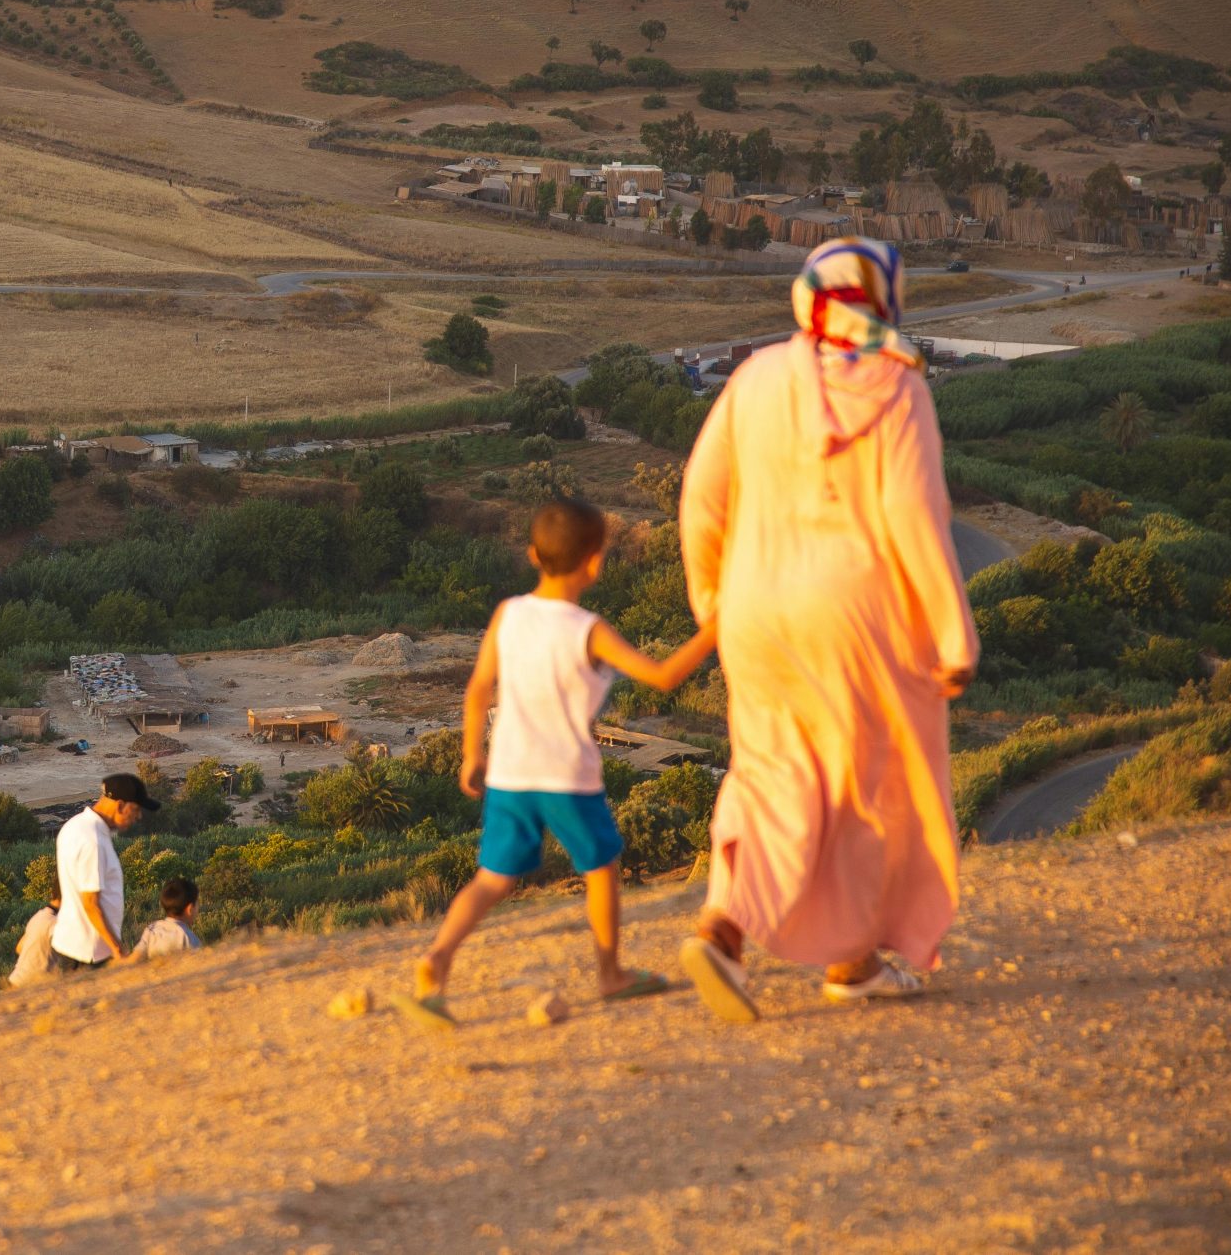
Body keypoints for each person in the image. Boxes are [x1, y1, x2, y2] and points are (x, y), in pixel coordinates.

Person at [676, 240, 978, 1024]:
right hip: (856, 618)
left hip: (753, 611)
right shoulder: (898, 386)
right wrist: (953, 632)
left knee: (769, 768)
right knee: (862, 788)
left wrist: (710, 593)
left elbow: (701, 495)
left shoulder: (756, 377)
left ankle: (731, 928)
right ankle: (841, 957)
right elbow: (916, 516)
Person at [404, 499, 716, 1025]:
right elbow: (661, 677)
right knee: (601, 866)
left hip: (509, 771)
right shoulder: (587, 629)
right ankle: (610, 973)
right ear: (595, 562)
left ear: (531, 554)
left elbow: (479, 687)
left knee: (492, 879)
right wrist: (716, 628)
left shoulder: (509, 614)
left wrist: (470, 754)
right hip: (567, 776)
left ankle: (436, 959)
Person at [50, 774, 153, 971]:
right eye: (136, 809)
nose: (138, 817)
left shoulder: (74, 825)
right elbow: (90, 903)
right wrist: (117, 950)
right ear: (120, 805)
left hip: (71, 942)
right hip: (89, 953)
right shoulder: (93, 841)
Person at [132, 877, 202, 960]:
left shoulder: (152, 929)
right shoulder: (188, 937)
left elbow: (135, 958)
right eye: (197, 903)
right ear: (190, 909)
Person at [8, 889, 61, 987]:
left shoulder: (38, 916)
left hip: (15, 979)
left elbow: (19, 947)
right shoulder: (56, 923)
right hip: (30, 985)